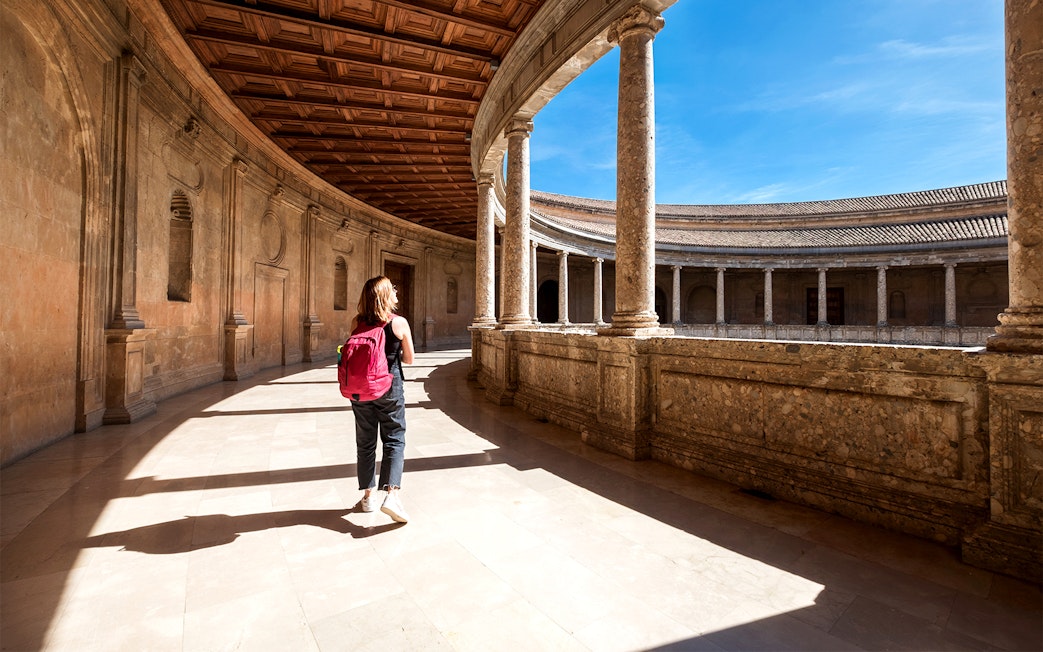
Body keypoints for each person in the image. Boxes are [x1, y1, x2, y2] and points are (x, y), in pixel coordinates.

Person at [349, 275, 415, 523]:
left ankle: (368, 497)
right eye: (393, 289)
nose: (397, 292)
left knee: (365, 442)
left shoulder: (357, 321)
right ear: (386, 295)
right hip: (390, 386)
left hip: (361, 388)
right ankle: (392, 496)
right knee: (395, 438)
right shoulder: (398, 323)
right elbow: (409, 359)